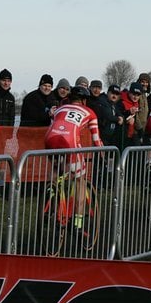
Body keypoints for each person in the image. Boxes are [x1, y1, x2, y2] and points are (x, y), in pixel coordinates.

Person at [45, 85, 104, 230]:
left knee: (56, 169)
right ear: (84, 100)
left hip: (50, 138)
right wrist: (103, 153)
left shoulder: (60, 109)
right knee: (80, 181)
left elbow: (53, 125)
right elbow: (96, 140)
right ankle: (78, 223)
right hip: (70, 142)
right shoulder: (90, 112)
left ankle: (50, 194)